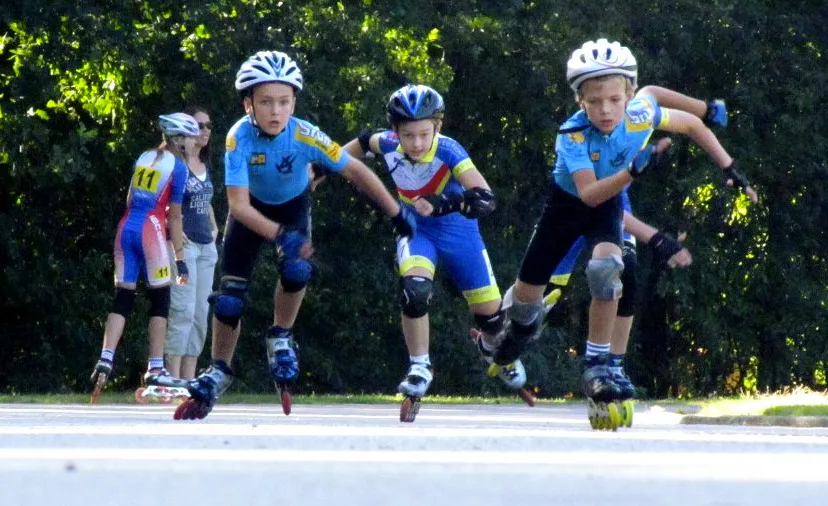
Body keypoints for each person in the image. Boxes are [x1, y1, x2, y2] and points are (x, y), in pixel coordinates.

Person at [493, 38, 758, 429]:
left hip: (608, 207)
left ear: (628, 94)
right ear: (580, 100)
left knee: (608, 271)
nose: (605, 110)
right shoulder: (573, 134)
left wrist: (729, 169)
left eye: (615, 99)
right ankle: (507, 343)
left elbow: (690, 124)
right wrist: (632, 172)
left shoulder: (640, 112)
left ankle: (599, 363)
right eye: (595, 101)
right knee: (526, 312)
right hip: (567, 209)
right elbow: (587, 193)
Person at [174, 51, 416, 420]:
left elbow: (354, 170)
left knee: (297, 272)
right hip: (251, 214)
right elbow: (238, 206)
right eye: (266, 102)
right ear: (248, 104)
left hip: (292, 207)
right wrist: (278, 234)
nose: (275, 111)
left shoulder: (304, 134)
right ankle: (220, 368)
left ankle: (281, 334)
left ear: (294, 103)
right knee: (229, 300)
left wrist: (396, 212)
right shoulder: (239, 138)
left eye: (284, 102)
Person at [342, 84, 527, 421]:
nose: (415, 143)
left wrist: (445, 202)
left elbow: (485, 198)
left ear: (437, 128)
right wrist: (318, 169)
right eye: (408, 135)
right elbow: (353, 147)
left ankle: (489, 346)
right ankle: (419, 367)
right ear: (395, 131)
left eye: (424, 134)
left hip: (459, 232)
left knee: (492, 318)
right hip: (417, 230)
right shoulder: (385, 143)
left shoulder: (449, 150)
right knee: (415, 291)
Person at [90, 112, 197, 403]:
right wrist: (180, 258)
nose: (193, 142)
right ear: (179, 139)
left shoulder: (144, 157)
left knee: (122, 297)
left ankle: (106, 358)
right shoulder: (180, 167)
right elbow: (174, 215)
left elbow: (129, 199)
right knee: (160, 298)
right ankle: (156, 367)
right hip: (151, 228)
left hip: (126, 227)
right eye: (189, 137)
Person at [164, 106, 220, 380]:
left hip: (206, 247)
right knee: (182, 310)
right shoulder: (173, 163)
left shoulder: (204, 163)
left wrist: (214, 223)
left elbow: (203, 197)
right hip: (184, 247)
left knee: (200, 314)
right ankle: (171, 378)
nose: (205, 131)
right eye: (200, 126)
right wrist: (168, 224)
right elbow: (156, 199)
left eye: (209, 126)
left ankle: (188, 380)